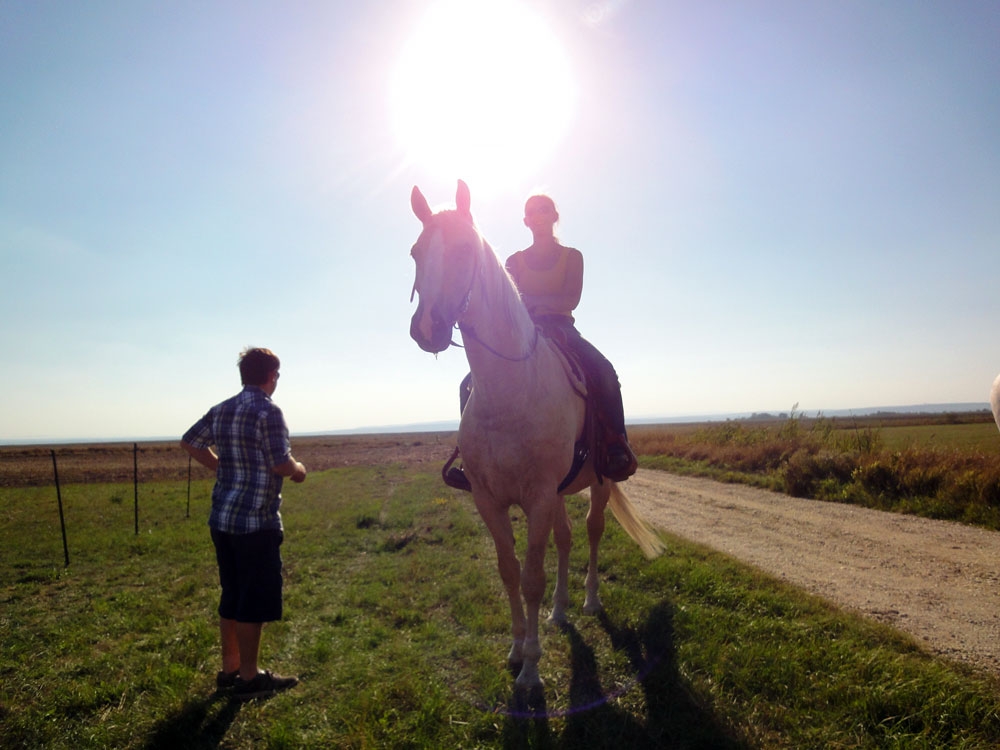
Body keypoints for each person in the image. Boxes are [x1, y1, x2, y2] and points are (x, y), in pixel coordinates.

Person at [444, 193, 637, 489]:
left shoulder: (572, 257)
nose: (537, 216)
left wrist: (532, 301)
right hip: (524, 333)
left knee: (605, 372)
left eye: (544, 210)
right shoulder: (514, 261)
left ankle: (615, 445)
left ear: (554, 216)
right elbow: (507, 303)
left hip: (562, 329)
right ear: (525, 221)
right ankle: (471, 460)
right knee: (467, 384)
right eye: (531, 212)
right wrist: (532, 306)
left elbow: (571, 298)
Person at [181, 347, 307, 700]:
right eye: (277, 375)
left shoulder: (222, 409)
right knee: (253, 601)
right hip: (256, 523)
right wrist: (300, 471)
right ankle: (250, 678)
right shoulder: (269, 411)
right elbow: (281, 463)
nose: (277, 381)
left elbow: (189, 442)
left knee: (232, 595)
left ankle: (230, 670)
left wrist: (221, 466)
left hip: (222, 519)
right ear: (270, 376)